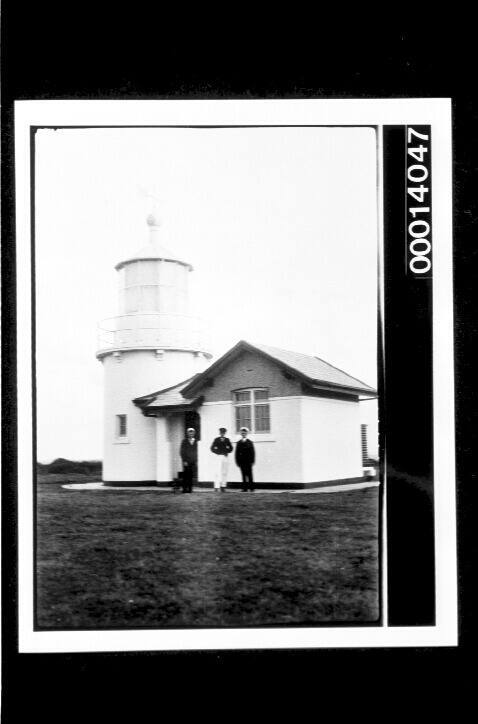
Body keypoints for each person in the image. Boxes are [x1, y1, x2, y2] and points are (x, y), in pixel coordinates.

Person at [210, 427, 233, 492]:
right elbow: (212, 448)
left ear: (225, 433)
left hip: (225, 457)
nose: (222, 433)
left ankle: (223, 486)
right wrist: (217, 451)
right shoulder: (216, 439)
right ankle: (216, 487)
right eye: (221, 432)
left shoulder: (227, 440)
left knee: (224, 472)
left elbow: (231, 448)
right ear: (219, 433)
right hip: (218, 457)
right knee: (217, 472)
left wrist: (226, 452)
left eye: (223, 432)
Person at [235, 426, 255, 492]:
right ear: (241, 434)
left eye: (245, 433)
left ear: (247, 434)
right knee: (243, 475)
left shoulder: (250, 442)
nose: (243, 434)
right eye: (242, 433)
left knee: (249, 474)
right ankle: (245, 488)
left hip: (248, 461)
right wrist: (237, 462)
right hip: (242, 462)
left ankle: (251, 488)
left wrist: (252, 461)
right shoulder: (238, 443)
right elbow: (236, 453)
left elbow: (252, 453)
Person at [179, 427, 198, 493]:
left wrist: (196, 460)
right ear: (187, 434)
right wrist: (184, 460)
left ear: (194, 434)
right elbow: (182, 452)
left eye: (192, 434)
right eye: (190, 434)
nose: (191, 435)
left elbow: (196, 451)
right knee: (185, 475)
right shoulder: (184, 441)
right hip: (186, 461)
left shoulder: (195, 441)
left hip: (193, 461)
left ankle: (190, 489)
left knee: (191, 475)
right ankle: (184, 489)